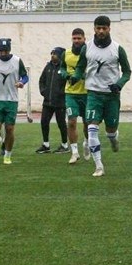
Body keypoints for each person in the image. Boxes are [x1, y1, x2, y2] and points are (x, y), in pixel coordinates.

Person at [68, 15, 132, 177]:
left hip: (111, 96)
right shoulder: (87, 48)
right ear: (94, 29)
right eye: (98, 28)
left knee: (110, 131)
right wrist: (75, 76)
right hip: (93, 95)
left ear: (109, 28)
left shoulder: (117, 49)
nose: (101, 31)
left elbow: (127, 72)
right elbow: (80, 67)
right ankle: (99, 166)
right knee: (91, 130)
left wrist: (119, 84)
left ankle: (113, 138)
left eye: (104, 28)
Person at [0, 38, 28, 164]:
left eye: (5, 51)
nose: (3, 53)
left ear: (9, 50)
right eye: (1, 51)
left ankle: (7, 155)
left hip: (11, 100)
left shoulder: (17, 61)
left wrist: (21, 82)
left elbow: (25, 76)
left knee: (9, 129)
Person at [59, 28, 90, 165]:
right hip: (71, 93)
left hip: (87, 93)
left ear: (84, 39)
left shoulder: (90, 53)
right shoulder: (66, 53)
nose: (76, 41)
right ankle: (74, 152)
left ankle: (87, 143)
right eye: (74, 38)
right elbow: (61, 68)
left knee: (87, 123)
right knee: (71, 122)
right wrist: (65, 75)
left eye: (79, 38)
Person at [36, 47, 69, 155]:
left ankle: (64, 145)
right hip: (47, 101)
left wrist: (62, 93)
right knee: (44, 122)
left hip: (60, 102)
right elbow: (42, 80)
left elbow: (68, 83)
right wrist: (43, 91)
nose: (52, 56)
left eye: (55, 54)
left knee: (61, 123)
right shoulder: (48, 67)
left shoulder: (64, 68)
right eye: (52, 53)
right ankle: (46, 145)